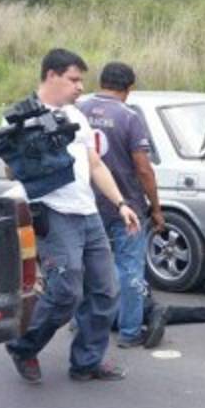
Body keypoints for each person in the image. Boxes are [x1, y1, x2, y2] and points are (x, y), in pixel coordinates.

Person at [5, 48, 141, 384]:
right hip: (54, 212)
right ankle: (24, 346)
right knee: (66, 291)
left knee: (106, 290)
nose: (80, 87)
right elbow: (10, 171)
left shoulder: (76, 116)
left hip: (88, 211)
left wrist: (121, 203)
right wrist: (30, 147)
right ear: (51, 75)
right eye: (73, 79)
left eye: (81, 80)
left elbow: (95, 164)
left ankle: (86, 362)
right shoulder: (21, 116)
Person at [78, 62, 164, 348]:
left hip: (88, 203)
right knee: (129, 269)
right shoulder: (129, 117)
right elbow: (143, 168)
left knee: (88, 266)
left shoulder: (78, 109)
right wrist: (155, 206)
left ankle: (82, 322)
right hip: (125, 204)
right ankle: (129, 331)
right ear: (129, 89)